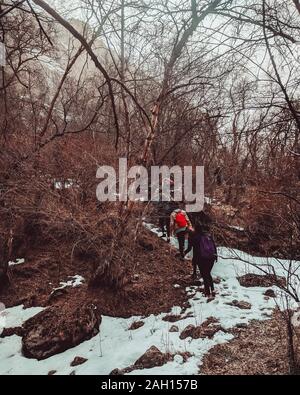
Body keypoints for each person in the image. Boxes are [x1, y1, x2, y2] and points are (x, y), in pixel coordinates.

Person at [184, 222, 218, 298]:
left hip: (202, 259)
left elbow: (192, 249)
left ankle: (208, 293)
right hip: (211, 258)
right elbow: (214, 246)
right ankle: (212, 289)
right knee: (208, 273)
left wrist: (185, 254)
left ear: (195, 229)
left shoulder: (195, 238)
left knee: (204, 275)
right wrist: (216, 256)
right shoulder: (208, 235)